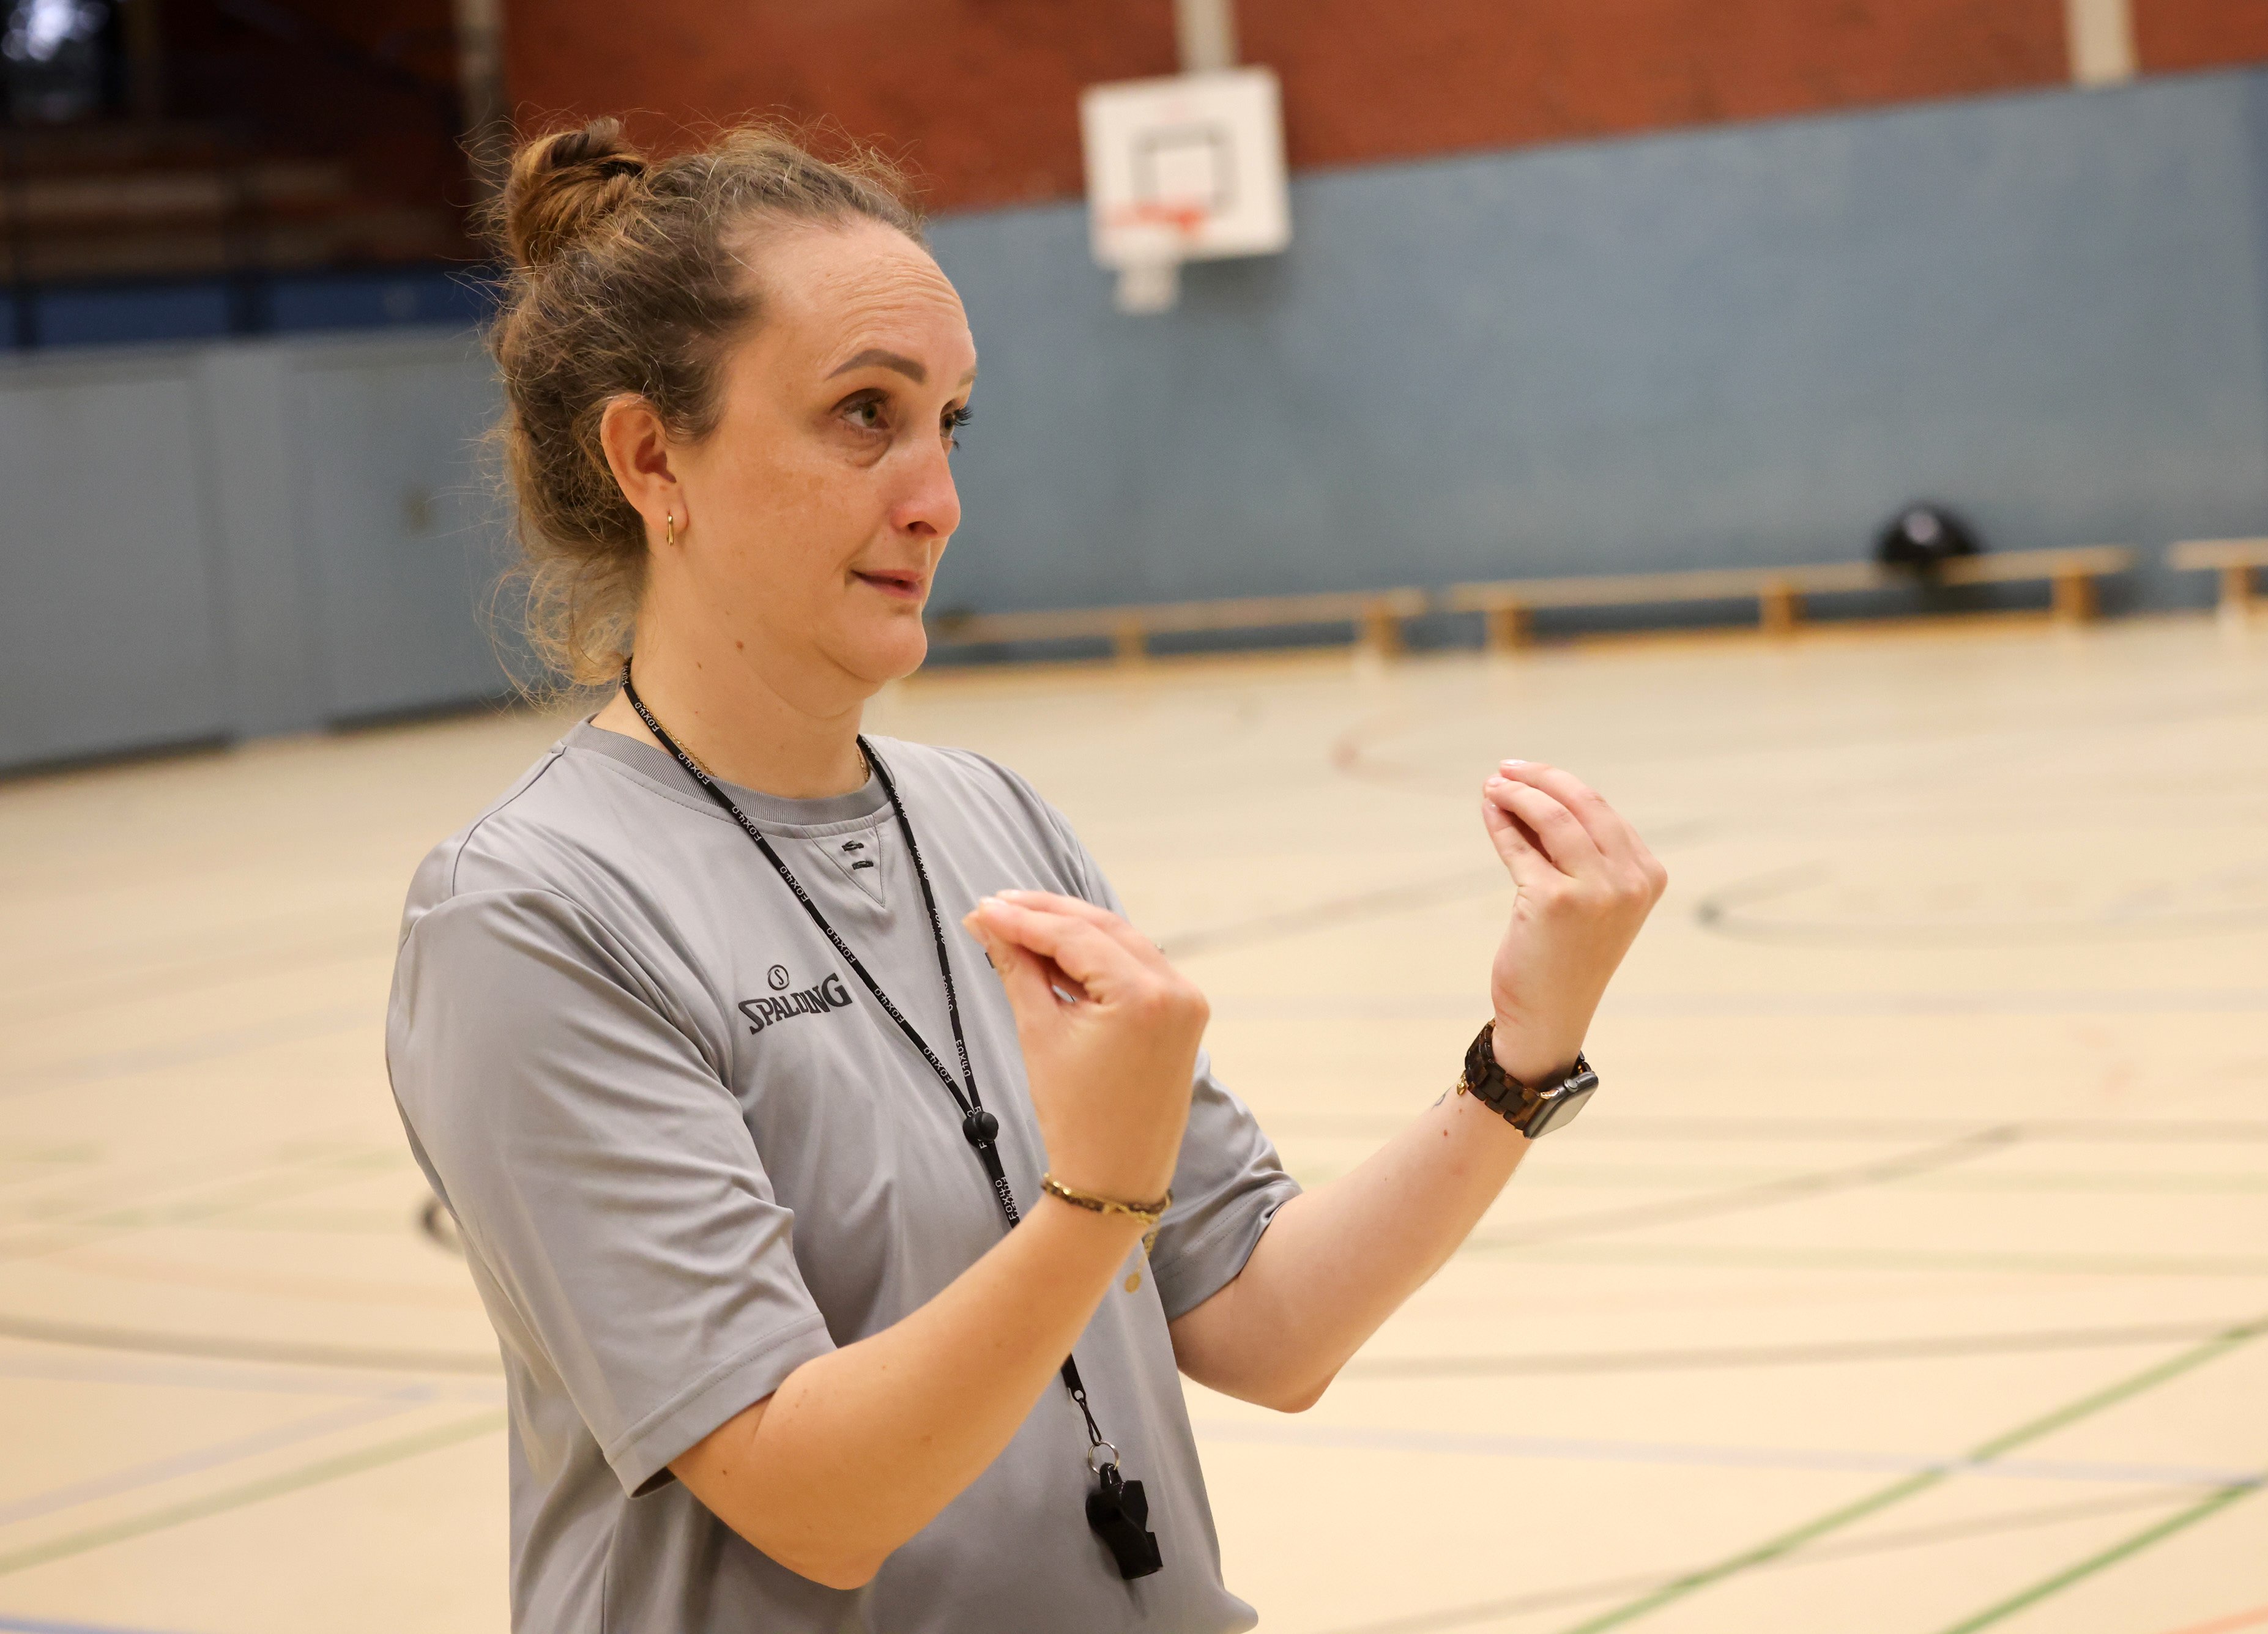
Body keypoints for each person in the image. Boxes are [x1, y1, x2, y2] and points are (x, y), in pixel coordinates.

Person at [385, 119, 1665, 1634]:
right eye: (863, 415)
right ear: (653, 456)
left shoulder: (989, 818)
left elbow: (1264, 1326)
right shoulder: (531, 912)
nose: (936, 496)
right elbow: (810, 1499)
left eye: (951, 422)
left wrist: (1522, 1053)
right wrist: (1095, 1196)